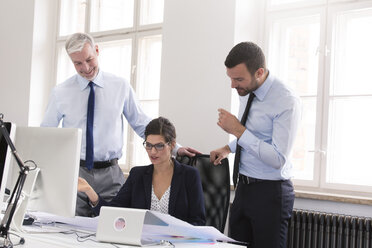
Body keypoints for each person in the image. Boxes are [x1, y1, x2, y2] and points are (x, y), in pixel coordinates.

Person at [41, 33, 199, 217]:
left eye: (89, 59)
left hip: (111, 174)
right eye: (77, 63)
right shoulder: (60, 92)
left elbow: (141, 124)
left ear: (97, 50)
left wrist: (175, 148)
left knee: (114, 225)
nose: (85, 68)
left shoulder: (120, 86)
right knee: (71, 229)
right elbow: (47, 135)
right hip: (76, 172)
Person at [210, 42, 301, 247]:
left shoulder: (286, 100)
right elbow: (256, 135)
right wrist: (228, 148)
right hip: (243, 188)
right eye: (231, 78)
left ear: (259, 72)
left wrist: (236, 129)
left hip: (271, 193)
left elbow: (278, 158)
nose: (233, 85)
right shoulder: (246, 90)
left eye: (238, 79)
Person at [78, 117, 206, 226]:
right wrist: (90, 191)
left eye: (159, 146)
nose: (153, 152)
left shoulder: (189, 175)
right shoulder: (137, 175)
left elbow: (198, 222)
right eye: (149, 145)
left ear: (172, 145)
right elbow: (112, 213)